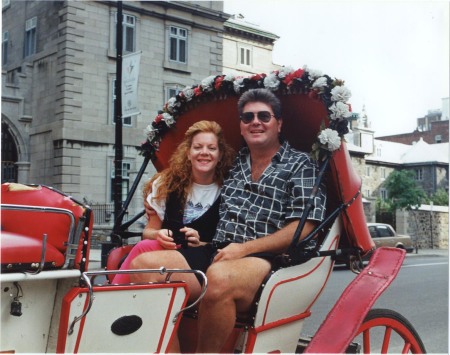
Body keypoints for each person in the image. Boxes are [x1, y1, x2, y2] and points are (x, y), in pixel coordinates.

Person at [130, 88, 327, 352]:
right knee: (144, 266)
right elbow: (194, 172)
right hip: (218, 250)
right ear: (242, 127)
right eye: (248, 117)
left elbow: (304, 228)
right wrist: (157, 195)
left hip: (269, 258)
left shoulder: (300, 164)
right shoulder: (235, 163)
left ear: (278, 124)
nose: (255, 122)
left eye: (263, 116)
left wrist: (244, 249)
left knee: (219, 278)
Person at [112, 120, 234, 284]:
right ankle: (115, 292)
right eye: (197, 147)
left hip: (201, 260)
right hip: (165, 253)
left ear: (220, 156)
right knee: (146, 246)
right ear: (188, 153)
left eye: (211, 148)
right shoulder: (167, 184)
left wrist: (201, 243)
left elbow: (227, 244)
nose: (204, 152)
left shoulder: (230, 192)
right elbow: (148, 232)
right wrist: (159, 234)